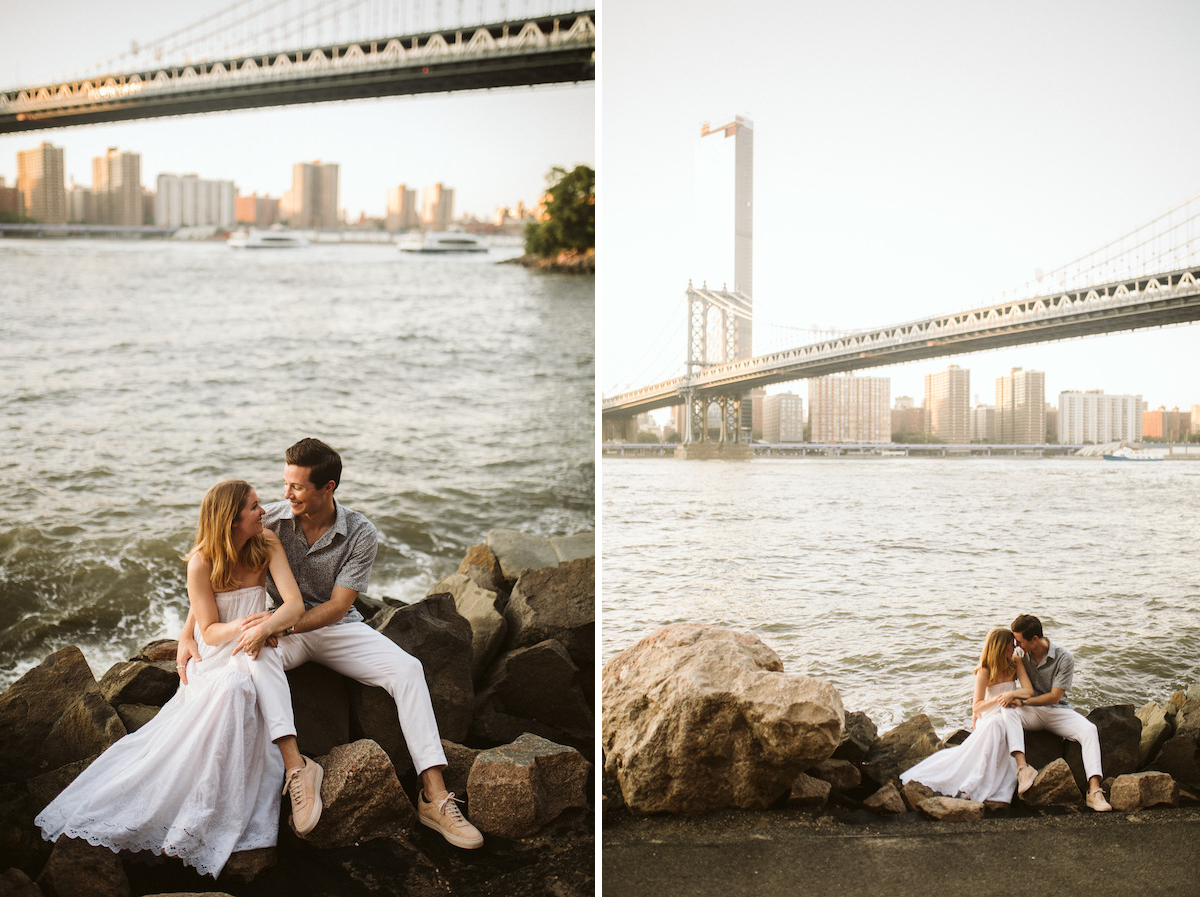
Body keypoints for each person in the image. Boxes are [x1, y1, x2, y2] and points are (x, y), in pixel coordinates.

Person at [176, 439, 483, 849]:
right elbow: (217, 562)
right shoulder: (272, 522)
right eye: (285, 483)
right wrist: (187, 633)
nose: (285, 494)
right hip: (279, 627)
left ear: (328, 487)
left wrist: (278, 626)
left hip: (334, 628)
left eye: (297, 487)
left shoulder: (360, 533)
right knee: (254, 656)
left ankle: (434, 795)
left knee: (408, 669)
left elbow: (339, 606)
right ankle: (297, 768)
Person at [37, 480, 324, 878]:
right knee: (233, 685)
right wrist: (247, 625)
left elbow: (292, 604)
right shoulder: (201, 562)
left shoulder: (267, 542)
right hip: (219, 652)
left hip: (255, 641)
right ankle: (213, 801)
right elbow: (209, 630)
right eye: (255, 507)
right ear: (231, 519)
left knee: (256, 665)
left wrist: (267, 626)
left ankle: (291, 772)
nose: (263, 511)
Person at [900, 628, 1034, 803]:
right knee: (995, 723)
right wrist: (999, 699)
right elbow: (977, 707)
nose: (1014, 648)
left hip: (1008, 712)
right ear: (1000, 647)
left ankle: (1009, 772)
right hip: (988, 715)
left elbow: (1028, 691)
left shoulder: (1015, 663)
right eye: (1011, 645)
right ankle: (980, 777)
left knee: (1005, 715)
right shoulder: (984, 671)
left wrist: (1012, 696)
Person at [1008, 613, 1113, 812]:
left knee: (1089, 730)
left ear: (1035, 640)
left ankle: (1094, 791)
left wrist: (1024, 700)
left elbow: (1055, 696)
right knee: (1006, 714)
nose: (1016, 645)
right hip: (1031, 712)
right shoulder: (1021, 655)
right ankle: (1023, 769)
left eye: (1019, 641)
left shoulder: (1064, 657)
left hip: (1057, 712)